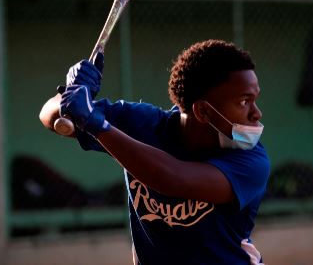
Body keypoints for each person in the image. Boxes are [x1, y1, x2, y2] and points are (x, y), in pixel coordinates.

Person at [39, 39, 270, 265]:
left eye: (254, 100)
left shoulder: (251, 161)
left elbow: (171, 177)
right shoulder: (144, 124)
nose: (256, 113)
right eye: (243, 102)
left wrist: (97, 125)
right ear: (202, 111)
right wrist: (71, 95)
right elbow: (49, 115)